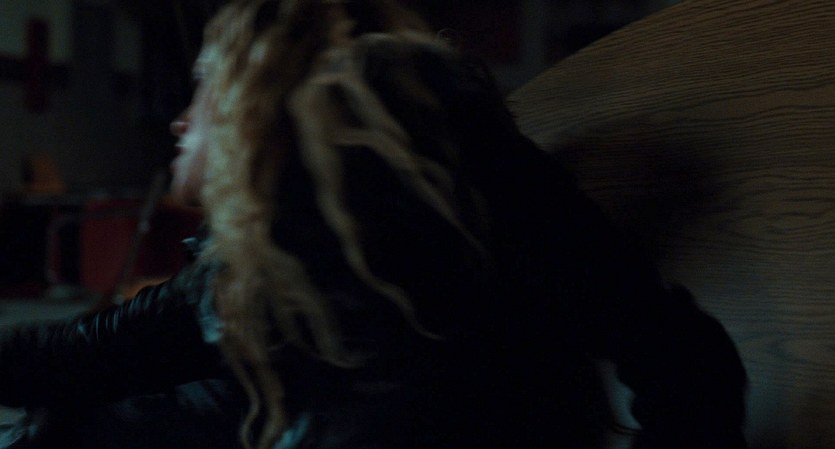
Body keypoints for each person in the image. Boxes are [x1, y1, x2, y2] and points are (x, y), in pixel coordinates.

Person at [0, 1, 748, 448]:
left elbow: (683, 360)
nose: (179, 120)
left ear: (252, 99)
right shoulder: (278, 254)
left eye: (200, 87)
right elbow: (101, 360)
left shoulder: (424, 215)